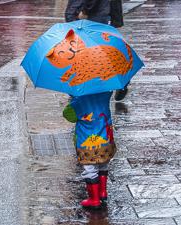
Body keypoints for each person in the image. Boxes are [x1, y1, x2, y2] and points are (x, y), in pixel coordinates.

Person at [64, 0, 115, 209]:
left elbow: (69, 115)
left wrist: (71, 99)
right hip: (105, 137)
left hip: (88, 142)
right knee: (103, 163)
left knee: (89, 168)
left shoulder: (78, 96)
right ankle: (103, 191)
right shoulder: (106, 90)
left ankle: (94, 198)